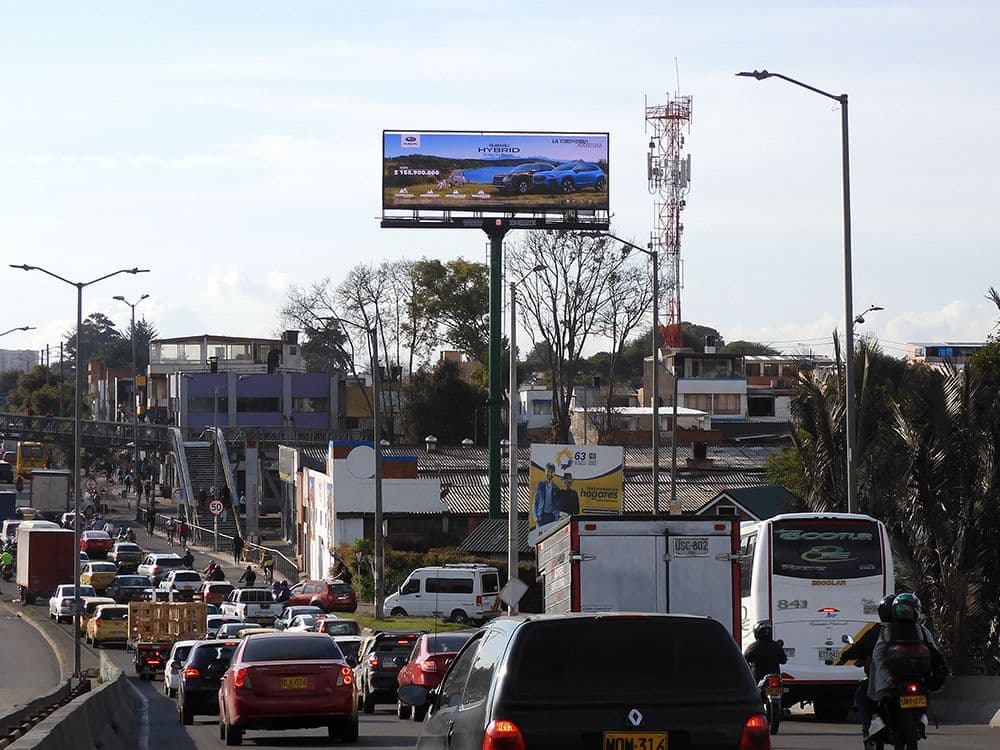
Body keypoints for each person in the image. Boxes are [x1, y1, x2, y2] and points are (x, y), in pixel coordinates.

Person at [868, 593, 944, 739]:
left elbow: (933, 654)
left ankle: (921, 719)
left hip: (907, 679)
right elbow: (934, 651)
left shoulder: (917, 630)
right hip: (898, 680)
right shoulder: (915, 630)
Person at [835, 593, 897, 736]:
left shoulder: (878, 631)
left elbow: (859, 649)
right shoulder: (917, 629)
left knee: (862, 693)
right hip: (914, 678)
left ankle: (874, 718)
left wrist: (844, 655)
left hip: (884, 681)